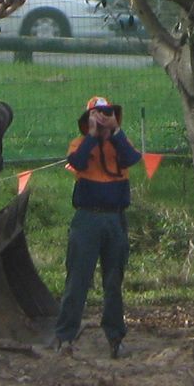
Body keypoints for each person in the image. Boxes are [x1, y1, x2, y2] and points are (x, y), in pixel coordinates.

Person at [52, 95, 141, 359]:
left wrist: (115, 131)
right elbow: (77, 162)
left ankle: (116, 339)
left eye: (107, 112)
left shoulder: (121, 143)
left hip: (115, 218)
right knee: (77, 280)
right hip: (87, 218)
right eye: (98, 113)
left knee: (113, 282)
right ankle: (64, 338)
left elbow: (131, 158)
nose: (103, 117)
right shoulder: (80, 143)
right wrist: (92, 135)